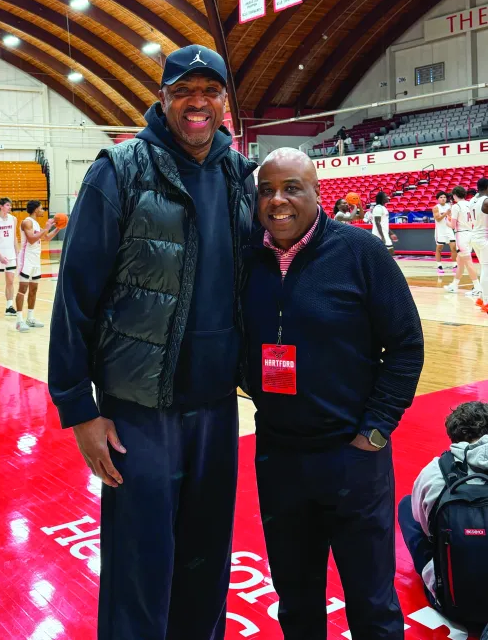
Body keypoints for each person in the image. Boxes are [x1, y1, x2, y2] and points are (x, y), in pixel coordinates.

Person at [49, 44, 256, 640]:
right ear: (163, 99)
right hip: (139, 409)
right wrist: (79, 409)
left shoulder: (240, 175)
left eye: (210, 92)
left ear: (224, 103)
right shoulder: (120, 170)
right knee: (140, 564)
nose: (198, 103)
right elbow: (74, 297)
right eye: (184, 91)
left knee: (206, 556)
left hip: (217, 406)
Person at [242, 147, 424, 640]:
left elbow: (406, 344)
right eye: (267, 191)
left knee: (372, 604)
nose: (278, 201)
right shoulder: (248, 261)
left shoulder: (360, 252)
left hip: (352, 459)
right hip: (279, 458)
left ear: (318, 194)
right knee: (296, 603)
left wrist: (376, 430)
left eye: (292, 188)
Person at [398, 401, 488, 638]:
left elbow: (425, 525)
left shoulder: (435, 471)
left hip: (456, 606)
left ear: (453, 436)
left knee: (407, 506)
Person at [15, 200, 57, 332]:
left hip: (35, 260)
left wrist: (58, 228)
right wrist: (46, 227)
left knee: (34, 290)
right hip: (26, 259)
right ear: (35, 210)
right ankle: (19, 320)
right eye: (41, 208)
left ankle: (30, 318)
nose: (43, 210)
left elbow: (46, 238)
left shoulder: (36, 224)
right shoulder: (26, 222)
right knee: (23, 289)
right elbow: (32, 239)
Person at [444, 187, 481, 296]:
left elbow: (453, 225)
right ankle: (454, 285)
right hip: (470, 233)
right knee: (460, 262)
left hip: (462, 235)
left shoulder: (456, 206)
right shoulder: (469, 204)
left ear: (455, 195)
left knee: (468, 262)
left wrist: (447, 220)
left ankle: (478, 287)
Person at [470, 177, 488, 305]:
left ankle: (482, 296)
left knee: (484, 268)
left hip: (475, 236)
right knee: (486, 269)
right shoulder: (486, 201)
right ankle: (486, 301)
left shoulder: (472, 200)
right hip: (483, 238)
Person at [433, 191, 457, 275]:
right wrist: (445, 214)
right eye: (441, 197)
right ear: (438, 199)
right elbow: (438, 219)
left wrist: (450, 216)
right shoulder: (436, 208)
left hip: (448, 229)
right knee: (439, 249)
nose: (443, 199)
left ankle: (455, 265)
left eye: (444, 197)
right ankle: (439, 266)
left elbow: (452, 217)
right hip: (440, 231)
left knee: (454, 248)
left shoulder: (449, 206)